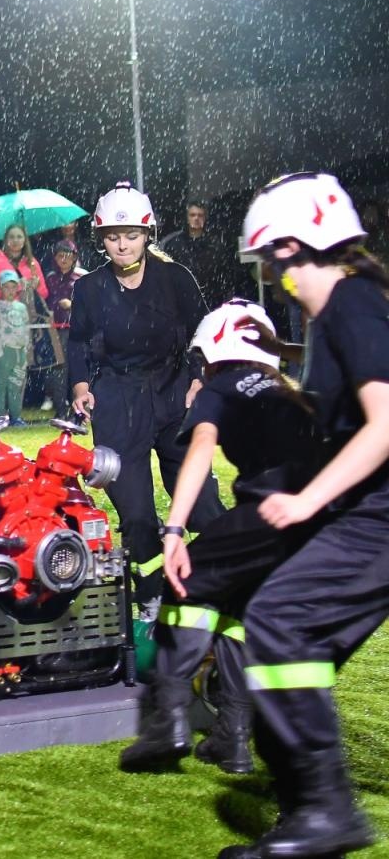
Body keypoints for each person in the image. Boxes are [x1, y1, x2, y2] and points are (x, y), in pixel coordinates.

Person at [215, 172, 389, 858]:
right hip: (367, 512)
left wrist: (309, 501)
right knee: (290, 644)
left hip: (380, 515)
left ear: (292, 247)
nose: (267, 273)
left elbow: (385, 423)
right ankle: (306, 810)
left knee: (280, 622)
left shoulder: (351, 305)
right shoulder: (339, 315)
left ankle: (324, 812)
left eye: (267, 259)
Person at [119, 299, 320, 779]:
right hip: (316, 516)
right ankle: (232, 738)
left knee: (187, 586)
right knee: (237, 613)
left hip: (271, 508)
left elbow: (201, 451)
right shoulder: (285, 386)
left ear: (211, 353)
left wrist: (174, 529)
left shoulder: (221, 385)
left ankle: (166, 722)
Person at [68, 182, 223, 616]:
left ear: (148, 233)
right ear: (101, 238)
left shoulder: (176, 279)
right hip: (118, 401)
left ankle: (221, 587)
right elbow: (78, 344)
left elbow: (203, 334)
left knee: (201, 505)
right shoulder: (89, 289)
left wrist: (198, 379)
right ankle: (152, 599)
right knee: (136, 514)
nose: (122, 244)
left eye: (132, 235)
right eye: (113, 236)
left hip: (175, 395)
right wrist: (81, 386)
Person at [0, 223, 48, 415]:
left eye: (19, 237)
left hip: (22, 321)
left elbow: (44, 292)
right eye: (12, 237)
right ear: (5, 240)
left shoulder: (31, 263)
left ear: (25, 240)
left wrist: (35, 284)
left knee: (20, 366)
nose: (15, 241)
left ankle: (14, 412)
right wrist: (17, 286)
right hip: (0, 320)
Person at [162, 200, 240, 304]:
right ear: (187, 218)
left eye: (200, 215)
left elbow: (225, 274)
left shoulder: (217, 245)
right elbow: (168, 276)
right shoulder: (174, 245)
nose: (196, 218)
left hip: (211, 300)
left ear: (205, 218)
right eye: (192, 215)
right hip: (183, 299)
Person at [41, 239, 86, 410]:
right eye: (60, 256)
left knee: (79, 369)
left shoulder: (83, 275)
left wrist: (73, 305)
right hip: (56, 329)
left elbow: (93, 302)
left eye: (68, 255)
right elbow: (44, 300)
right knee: (59, 369)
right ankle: (60, 410)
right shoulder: (50, 277)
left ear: (75, 257)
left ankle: (82, 409)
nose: (64, 259)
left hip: (79, 330)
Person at [0, 269, 31, 425]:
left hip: (19, 352)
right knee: (0, 383)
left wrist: (26, 348)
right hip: (4, 351)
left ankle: (15, 416)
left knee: (16, 383)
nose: (10, 291)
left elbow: (26, 328)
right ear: (1, 288)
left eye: (13, 287)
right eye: (6, 287)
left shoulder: (21, 308)